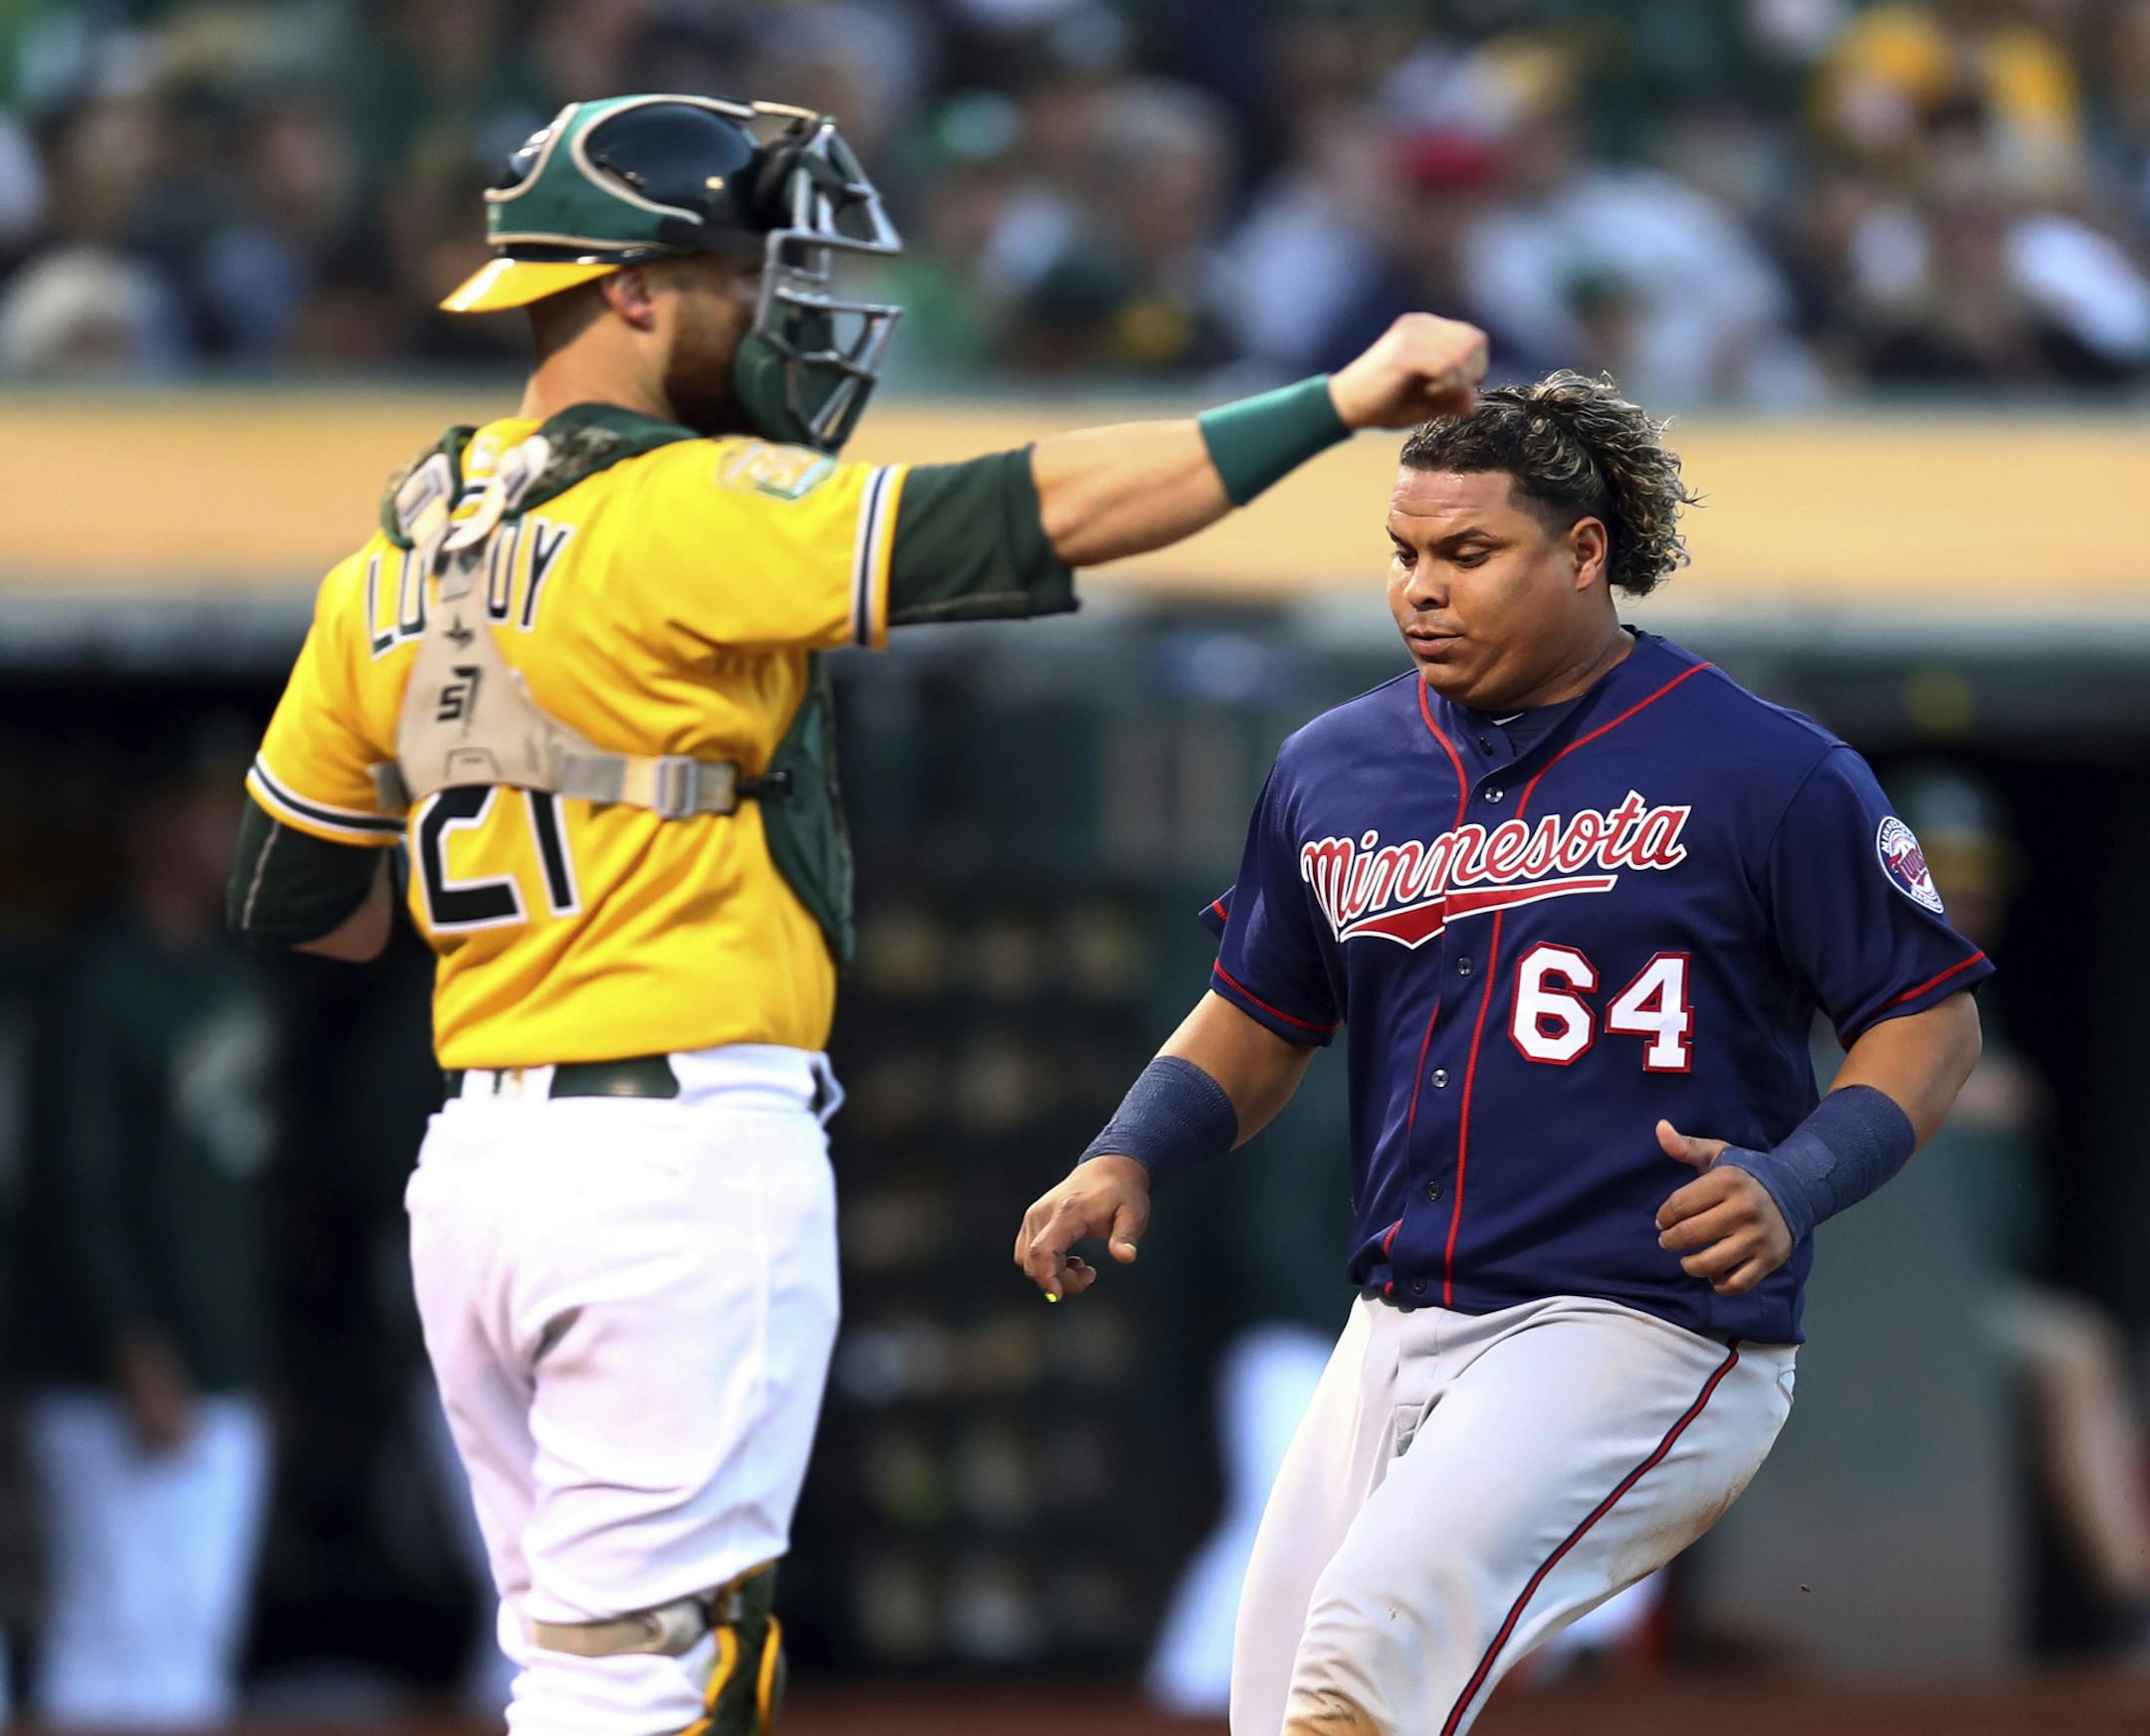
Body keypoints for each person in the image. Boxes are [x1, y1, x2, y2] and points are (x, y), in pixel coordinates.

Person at [223, 93, 1484, 1736]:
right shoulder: (678, 507)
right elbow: (1040, 514)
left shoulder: (394, 553)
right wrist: (1335, 399)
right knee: (664, 1680)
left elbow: (302, 894)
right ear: (629, 290)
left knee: (579, 1669)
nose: (774, 310)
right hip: (672, 1154)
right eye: (743, 273)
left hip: (482, 1165)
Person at [1015, 369, 1991, 1736]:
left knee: (1362, 1662)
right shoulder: (1338, 763)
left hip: (1635, 1319)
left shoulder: (1765, 768)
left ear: (1585, 552)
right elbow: (1259, 1012)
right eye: (1407, 555)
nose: (1423, 587)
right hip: (1394, 1324)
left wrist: (1802, 1174)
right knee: (1284, 1706)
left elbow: (1928, 1011)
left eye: (1467, 554)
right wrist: (1128, 1149)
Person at [16, 750, 278, 1728]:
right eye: (206, 810)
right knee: (113, 1633)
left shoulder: (230, 974)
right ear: (152, 823)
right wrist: (133, 1342)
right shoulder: (97, 974)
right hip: (109, 1373)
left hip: (222, 1363)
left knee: (191, 1639)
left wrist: (252, 1363)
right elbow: (74, 1188)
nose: (225, 833)